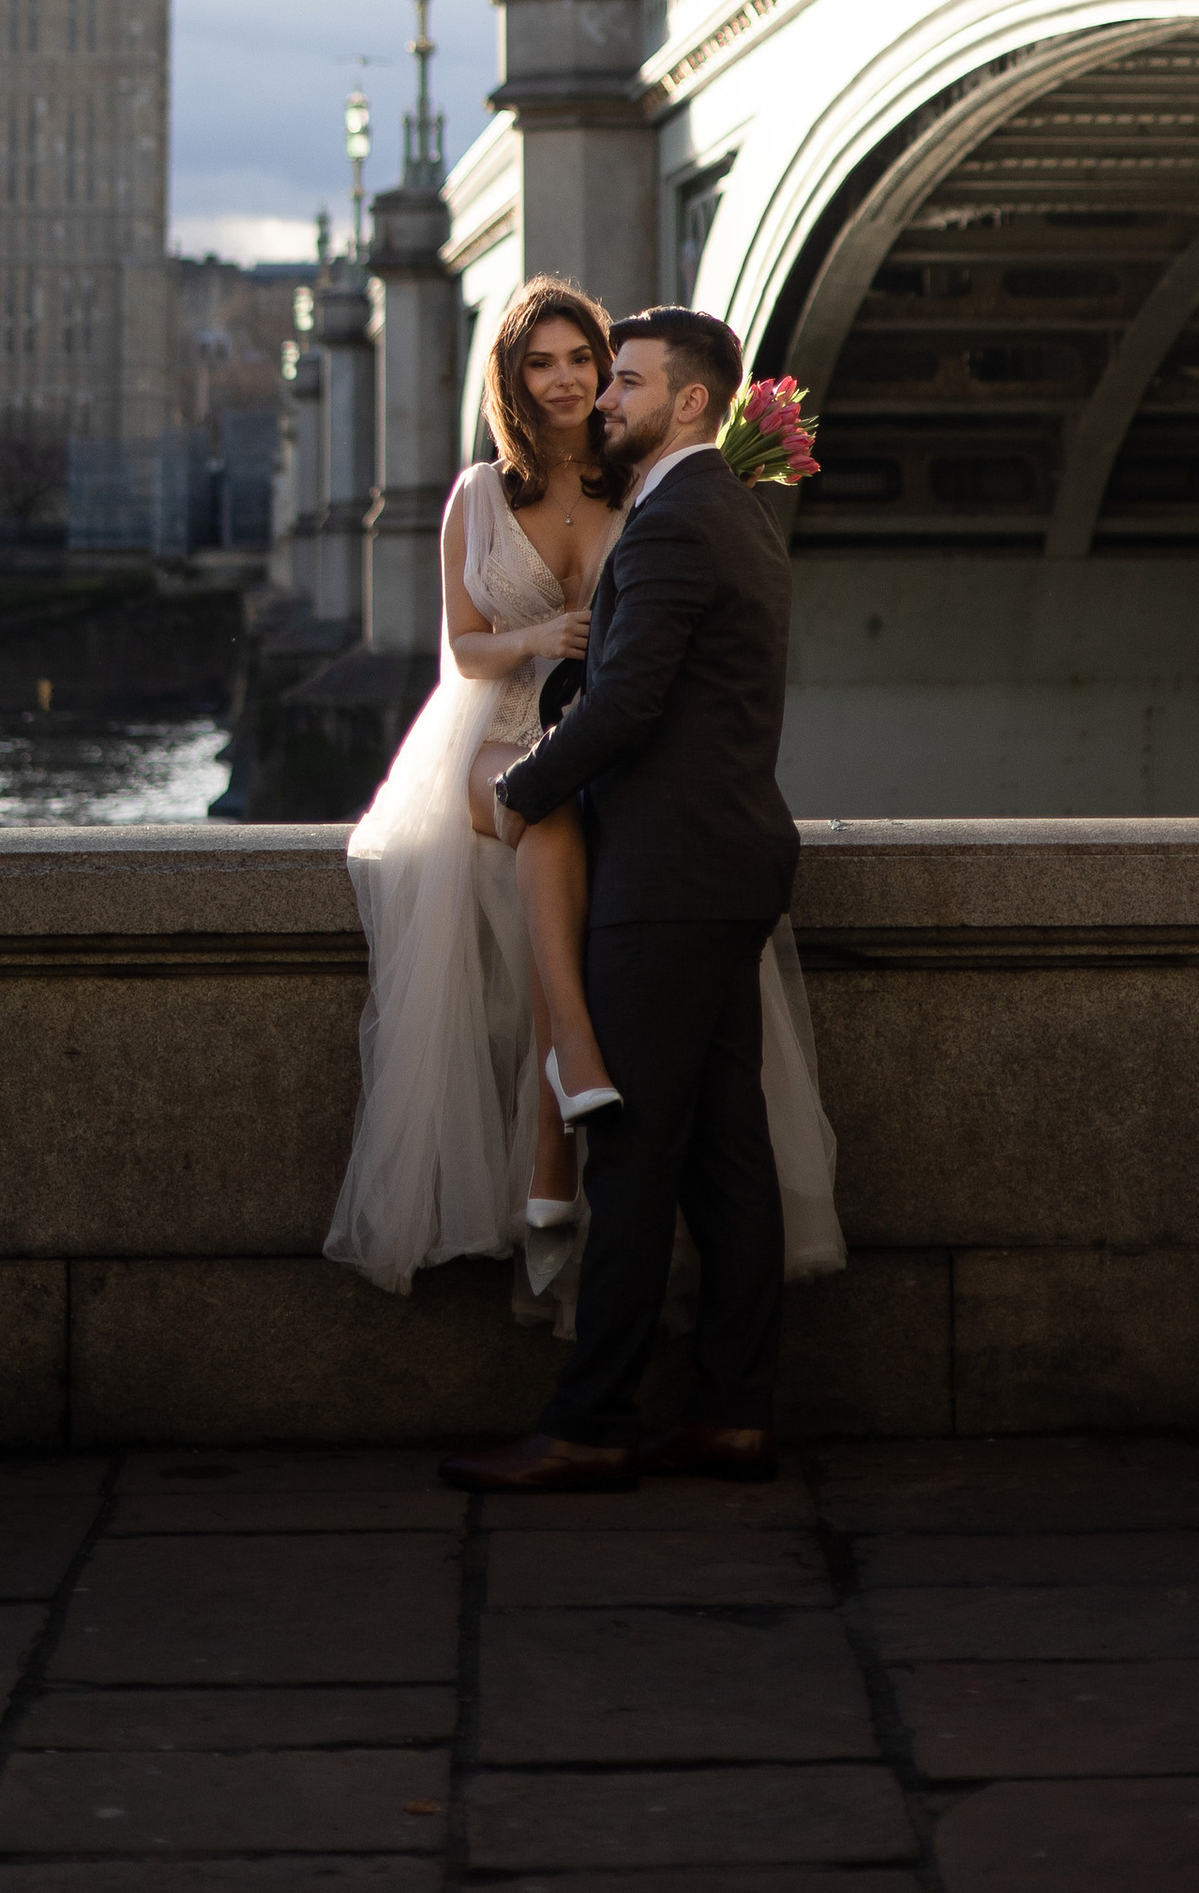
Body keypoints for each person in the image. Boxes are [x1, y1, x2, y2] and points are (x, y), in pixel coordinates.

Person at [324, 279, 839, 1317]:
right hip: (502, 728)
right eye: (541, 364)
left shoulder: (645, 486)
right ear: (510, 380)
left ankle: (569, 1120)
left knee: (700, 1134)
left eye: (588, 364)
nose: (570, 383)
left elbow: (660, 649)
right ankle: (573, 1055)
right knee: (542, 804)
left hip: (609, 761)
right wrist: (534, 639)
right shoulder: (480, 493)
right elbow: (460, 648)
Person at [441, 304, 809, 1496]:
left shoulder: (669, 523)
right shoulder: (734, 514)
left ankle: (592, 1419)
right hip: (730, 862)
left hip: (664, 874)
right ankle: (732, 1413)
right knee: (726, 1158)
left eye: (625, 381)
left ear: (688, 402)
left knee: (635, 1156)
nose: (601, 397)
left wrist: (522, 794)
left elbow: (625, 704)